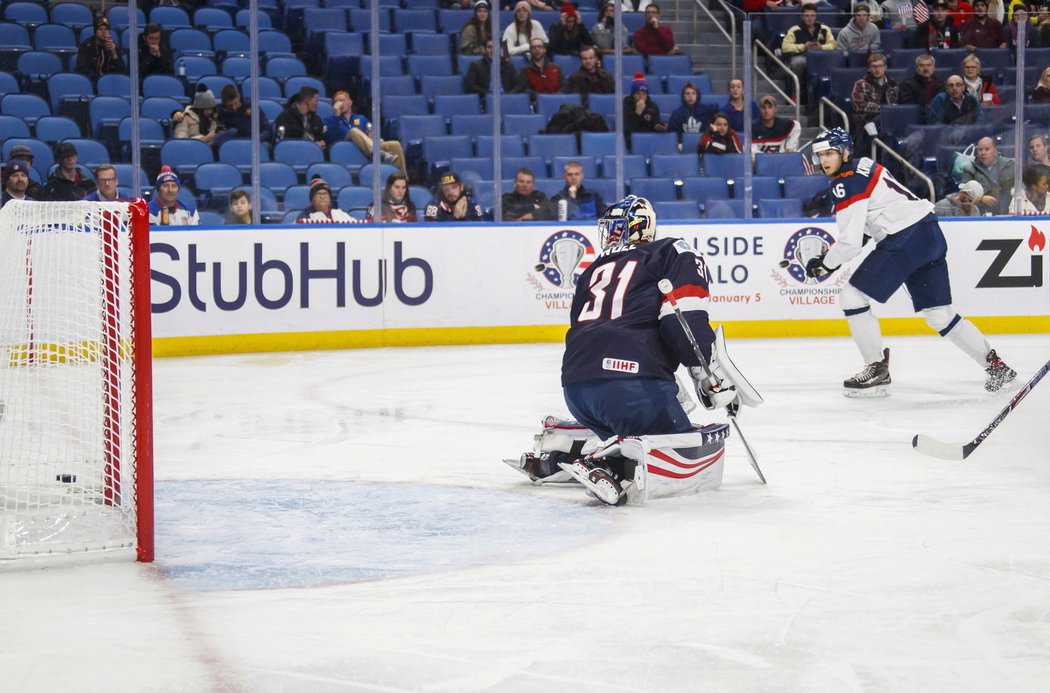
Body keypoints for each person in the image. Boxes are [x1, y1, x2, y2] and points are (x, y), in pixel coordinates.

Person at [507, 195, 760, 505]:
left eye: (616, 228)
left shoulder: (591, 271)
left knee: (636, 421)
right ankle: (612, 465)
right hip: (631, 388)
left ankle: (558, 457)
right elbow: (683, 324)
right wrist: (708, 374)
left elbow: (598, 333)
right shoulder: (672, 252)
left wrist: (683, 385)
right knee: (682, 442)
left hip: (576, 389)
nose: (611, 235)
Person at [806, 127, 1015, 395]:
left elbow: (848, 244)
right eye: (821, 155)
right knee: (940, 315)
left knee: (852, 297)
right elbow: (872, 219)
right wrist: (834, 257)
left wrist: (825, 263)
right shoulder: (866, 165)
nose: (824, 160)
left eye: (830, 153)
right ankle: (997, 367)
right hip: (929, 232)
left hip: (904, 239)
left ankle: (876, 368)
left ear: (845, 152)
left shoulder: (846, 181)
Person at [321, 91, 406, 176]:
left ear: (350, 103)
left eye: (342, 100)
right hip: (346, 151)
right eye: (336, 102)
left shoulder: (361, 118)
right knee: (354, 131)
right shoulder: (329, 121)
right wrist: (336, 116)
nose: (339, 104)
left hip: (367, 147)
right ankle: (379, 154)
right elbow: (328, 137)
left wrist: (374, 136)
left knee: (395, 145)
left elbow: (371, 132)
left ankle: (403, 178)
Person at [781, 4, 838, 102]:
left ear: (815, 16)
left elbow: (833, 44)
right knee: (798, 63)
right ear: (802, 17)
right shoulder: (794, 30)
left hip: (821, 58)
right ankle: (795, 93)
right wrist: (803, 46)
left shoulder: (824, 29)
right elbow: (785, 47)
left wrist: (821, 48)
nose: (810, 19)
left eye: (812, 16)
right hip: (803, 57)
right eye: (807, 16)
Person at [850, 53, 898, 154]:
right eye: (874, 66)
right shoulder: (860, 84)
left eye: (880, 66)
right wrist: (885, 109)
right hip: (867, 119)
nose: (877, 69)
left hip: (890, 119)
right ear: (869, 68)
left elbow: (897, 105)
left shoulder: (893, 84)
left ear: (885, 67)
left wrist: (888, 111)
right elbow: (859, 105)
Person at [960, 136, 1014, 212]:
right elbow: (963, 195)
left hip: (1008, 214)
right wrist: (980, 198)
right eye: (980, 149)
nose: (983, 153)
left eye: (987, 149)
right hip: (980, 215)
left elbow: (1022, 188)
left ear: (995, 150)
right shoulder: (970, 169)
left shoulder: (1010, 165)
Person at [623, 72, 664, 143]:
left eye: (644, 94)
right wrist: (637, 113)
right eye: (638, 94)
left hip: (651, 141)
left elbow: (655, 125)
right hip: (632, 143)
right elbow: (627, 133)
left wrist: (659, 127)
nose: (641, 97)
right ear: (633, 94)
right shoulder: (626, 106)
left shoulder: (653, 107)